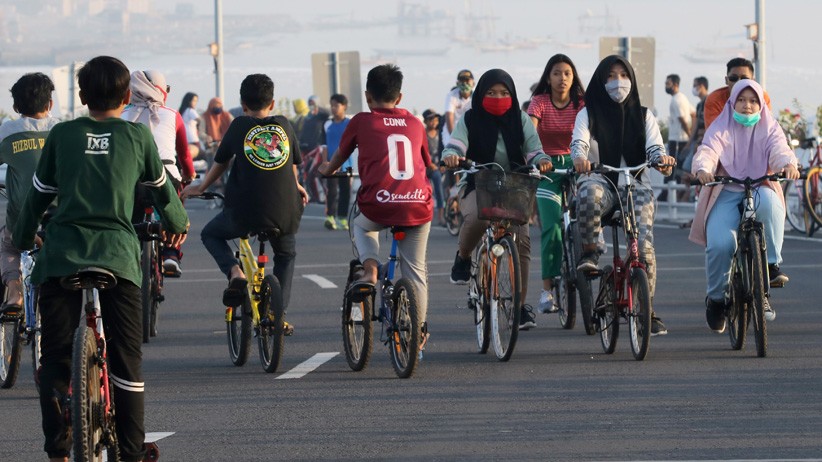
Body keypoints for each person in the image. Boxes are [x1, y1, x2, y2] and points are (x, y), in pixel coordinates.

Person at [13, 56, 189, 462]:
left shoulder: (62, 135)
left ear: (80, 96)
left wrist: (24, 237)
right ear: (126, 97)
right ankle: (130, 451)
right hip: (118, 258)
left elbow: (36, 198)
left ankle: (58, 452)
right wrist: (176, 223)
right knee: (127, 361)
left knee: (55, 358)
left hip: (61, 257)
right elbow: (165, 196)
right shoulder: (137, 138)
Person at [181, 74, 307, 331]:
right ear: (272, 104)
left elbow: (222, 161)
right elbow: (290, 163)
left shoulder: (239, 126)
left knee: (210, 234)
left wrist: (201, 187)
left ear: (243, 103)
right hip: (285, 212)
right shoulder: (284, 124)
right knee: (285, 254)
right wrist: (296, 186)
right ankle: (276, 313)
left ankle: (235, 273)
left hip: (243, 212)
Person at [317, 63, 433, 339]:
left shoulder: (360, 121)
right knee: (415, 271)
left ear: (368, 96)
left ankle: (369, 269)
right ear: (400, 97)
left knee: (361, 224)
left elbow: (339, 157)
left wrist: (326, 170)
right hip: (417, 204)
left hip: (379, 204)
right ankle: (419, 333)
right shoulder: (416, 124)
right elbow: (428, 162)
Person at [570, 54, 677, 336]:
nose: (618, 82)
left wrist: (661, 160)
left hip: (636, 184)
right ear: (599, 81)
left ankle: (648, 310)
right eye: (610, 76)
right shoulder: (588, 114)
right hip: (602, 181)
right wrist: (580, 158)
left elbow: (655, 148)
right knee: (587, 194)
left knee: (644, 249)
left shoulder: (644, 115)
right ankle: (592, 251)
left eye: (624, 75)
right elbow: (578, 143)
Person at [443, 68, 552, 330]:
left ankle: (519, 306)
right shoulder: (470, 119)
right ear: (480, 94)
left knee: (522, 241)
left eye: (504, 93)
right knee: (476, 217)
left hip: (514, 185)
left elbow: (534, 150)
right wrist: (451, 154)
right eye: (491, 92)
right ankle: (464, 256)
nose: (498, 97)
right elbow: (457, 143)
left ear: (512, 95)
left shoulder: (522, 120)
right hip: (478, 182)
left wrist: (543, 160)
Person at [689, 79, 799, 333]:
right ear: (732, 102)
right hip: (727, 189)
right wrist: (704, 169)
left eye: (753, 100)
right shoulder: (721, 125)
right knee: (721, 244)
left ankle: (771, 266)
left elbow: (780, 149)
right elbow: (708, 149)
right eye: (741, 99)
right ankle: (717, 300)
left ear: (760, 104)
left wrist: (788, 165)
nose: (747, 105)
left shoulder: (770, 126)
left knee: (772, 205)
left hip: (761, 185)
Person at [121, 70, 196, 277]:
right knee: (174, 210)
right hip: (166, 175)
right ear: (161, 91)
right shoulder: (173, 115)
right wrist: (189, 176)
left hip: (131, 179)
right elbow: (184, 155)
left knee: (130, 221)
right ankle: (171, 254)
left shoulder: (122, 114)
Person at [527, 53, 586, 315]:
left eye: (567, 74)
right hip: (547, 168)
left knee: (590, 211)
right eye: (556, 73)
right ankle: (547, 291)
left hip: (576, 165)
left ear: (573, 78)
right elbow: (530, 132)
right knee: (551, 227)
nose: (562, 78)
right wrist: (535, 158)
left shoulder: (582, 104)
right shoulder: (538, 102)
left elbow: (590, 134)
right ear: (548, 78)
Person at [0, 72, 59, 315]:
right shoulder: (62, 131)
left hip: (22, 219)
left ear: (15, 106)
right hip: (58, 217)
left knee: (8, 246)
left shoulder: (7, 132)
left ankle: (14, 292)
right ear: (50, 104)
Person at [704, 57, 772, 129]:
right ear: (726, 80)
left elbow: (767, 128)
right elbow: (713, 131)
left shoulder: (762, 97)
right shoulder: (714, 99)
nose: (739, 82)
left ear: (753, 81)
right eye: (733, 78)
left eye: (744, 78)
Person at [660, 73, 694, 200]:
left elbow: (682, 120)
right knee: (677, 169)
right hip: (679, 139)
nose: (665, 86)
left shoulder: (676, 99)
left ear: (675, 85)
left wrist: (690, 135)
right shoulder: (683, 98)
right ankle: (673, 196)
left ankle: (665, 196)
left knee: (671, 168)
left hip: (678, 140)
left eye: (667, 83)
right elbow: (693, 113)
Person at [321, 93, 353, 230]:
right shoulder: (327, 124)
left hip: (346, 164)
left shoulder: (350, 124)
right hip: (330, 164)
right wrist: (324, 162)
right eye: (332, 105)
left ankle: (342, 218)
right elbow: (324, 145)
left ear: (344, 106)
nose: (334, 108)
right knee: (332, 191)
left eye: (337, 105)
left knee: (345, 191)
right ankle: (330, 217)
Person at [300, 95, 330, 203]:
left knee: (318, 173)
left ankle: (328, 196)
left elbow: (328, 113)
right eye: (310, 103)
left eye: (313, 103)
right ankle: (315, 196)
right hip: (307, 149)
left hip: (317, 149)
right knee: (309, 174)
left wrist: (318, 108)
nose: (311, 105)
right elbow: (303, 132)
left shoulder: (321, 116)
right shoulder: (308, 117)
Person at [423, 108, 446, 226]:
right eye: (431, 119)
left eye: (435, 118)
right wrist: (429, 164)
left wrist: (442, 164)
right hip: (424, 167)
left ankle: (441, 216)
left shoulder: (441, 134)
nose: (434, 121)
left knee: (439, 186)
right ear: (426, 121)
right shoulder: (422, 133)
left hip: (437, 168)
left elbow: (444, 150)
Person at [178, 91, 201, 158]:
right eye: (194, 100)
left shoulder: (182, 111)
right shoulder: (191, 111)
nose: (195, 103)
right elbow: (200, 120)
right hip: (193, 139)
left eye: (196, 101)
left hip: (185, 139)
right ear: (189, 101)